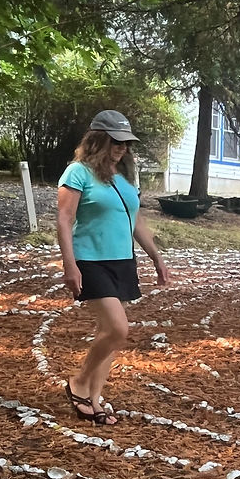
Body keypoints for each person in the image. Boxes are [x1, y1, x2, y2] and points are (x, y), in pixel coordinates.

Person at [56, 110, 168, 425]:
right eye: (116, 142)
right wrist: (70, 265)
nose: (122, 149)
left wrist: (156, 258)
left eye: (126, 144)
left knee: (110, 333)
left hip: (122, 261)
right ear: (98, 140)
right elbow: (65, 219)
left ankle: (93, 397)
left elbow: (136, 221)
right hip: (90, 260)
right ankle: (78, 383)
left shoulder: (124, 178)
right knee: (118, 329)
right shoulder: (77, 173)